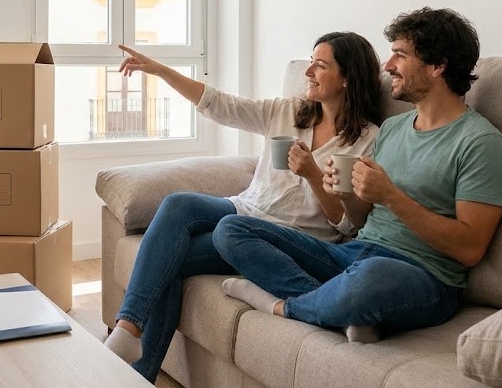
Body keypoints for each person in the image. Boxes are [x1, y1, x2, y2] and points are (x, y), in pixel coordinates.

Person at [213, 7, 502, 343]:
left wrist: (390, 196)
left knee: (372, 276)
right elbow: (358, 222)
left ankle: (285, 306)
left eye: (399, 55)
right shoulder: (393, 128)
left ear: (437, 65)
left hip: (422, 276)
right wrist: (347, 196)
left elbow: (470, 248)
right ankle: (340, 308)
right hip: (355, 254)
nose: (387, 67)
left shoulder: (481, 143)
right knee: (231, 229)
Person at [103, 32, 383, 381]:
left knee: (168, 261)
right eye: (310, 62)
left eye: (320, 65)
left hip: (288, 236)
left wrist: (312, 174)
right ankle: (129, 328)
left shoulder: (367, 139)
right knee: (178, 205)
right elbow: (222, 105)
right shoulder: (288, 111)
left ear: (346, 78)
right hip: (244, 208)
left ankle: (137, 372)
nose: (308, 71)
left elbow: (345, 224)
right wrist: (160, 71)